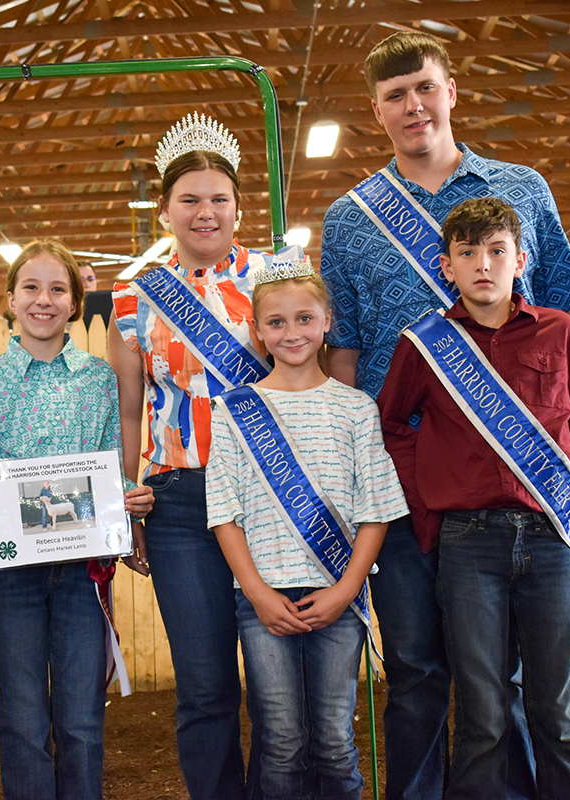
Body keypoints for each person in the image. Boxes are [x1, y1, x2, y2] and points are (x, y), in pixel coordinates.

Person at [320, 30, 570, 799]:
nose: (413, 105)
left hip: (513, 479)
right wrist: (348, 472)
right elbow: (345, 353)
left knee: (507, 676)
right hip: (401, 476)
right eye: (395, 96)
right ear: (377, 111)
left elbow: (569, 321)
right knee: (415, 668)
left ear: (450, 91)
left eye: (424, 88)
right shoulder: (349, 218)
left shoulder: (523, 188)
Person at [377, 198, 570, 799]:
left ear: (521, 260)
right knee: (482, 714)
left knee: (557, 714)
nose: (482, 264)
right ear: (446, 266)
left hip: (552, 539)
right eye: (467, 253)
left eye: (496, 251)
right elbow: (391, 427)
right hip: (467, 543)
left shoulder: (560, 331)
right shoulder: (424, 345)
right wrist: (428, 506)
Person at [0, 238, 152, 800]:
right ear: (10, 299)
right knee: (21, 719)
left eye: (58, 289)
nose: (44, 299)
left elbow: (110, 466)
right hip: (11, 575)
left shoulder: (98, 378)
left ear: (75, 302)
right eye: (31, 287)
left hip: (84, 572)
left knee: (82, 720)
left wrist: (131, 498)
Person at [108, 111, 269, 800]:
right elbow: (128, 410)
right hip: (178, 503)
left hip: (271, 495)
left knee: (279, 682)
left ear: (238, 207)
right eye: (190, 199)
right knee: (205, 687)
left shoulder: (277, 277)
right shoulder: (131, 297)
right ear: (165, 210)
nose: (206, 212)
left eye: (219, 199)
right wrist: (127, 504)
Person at [206, 249, 406, 800]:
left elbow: (375, 509)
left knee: (335, 740)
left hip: (338, 597)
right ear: (257, 330)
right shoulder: (233, 410)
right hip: (262, 600)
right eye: (275, 322)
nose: (291, 332)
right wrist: (257, 593)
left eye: (304, 318)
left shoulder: (356, 408)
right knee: (281, 740)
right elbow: (224, 512)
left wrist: (346, 589)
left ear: (326, 323)